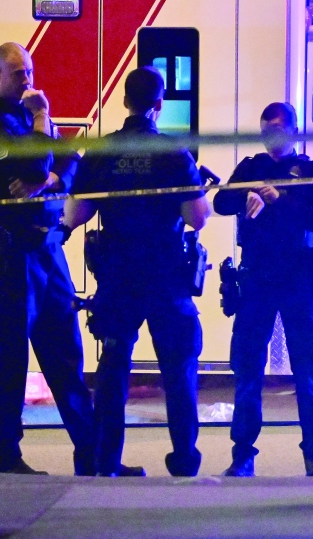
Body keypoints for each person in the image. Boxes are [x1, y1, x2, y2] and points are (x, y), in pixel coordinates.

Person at [64, 66, 212, 477]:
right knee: (179, 370)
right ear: (159, 104)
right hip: (166, 278)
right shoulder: (174, 153)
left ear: (125, 101)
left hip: (118, 277)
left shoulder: (102, 151)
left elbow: (76, 213)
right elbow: (197, 218)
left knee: (113, 370)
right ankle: (184, 460)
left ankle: (106, 462)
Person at [0, 42, 95, 476]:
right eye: (19, 73)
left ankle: (92, 455)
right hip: (12, 253)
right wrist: (43, 130)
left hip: (48, 251)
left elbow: (70, 163)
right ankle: (6, 458)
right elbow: (34, 168)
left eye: (30, 71)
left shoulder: (29, 118)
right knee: (10, 360)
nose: (28, 80)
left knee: (66, 354)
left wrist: (52, 177)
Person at [213, 102, 313, 477]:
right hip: (257, 278)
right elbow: (220, 201)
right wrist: (246, 194)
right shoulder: (251, 167)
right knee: (248, 369)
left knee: (307, 370)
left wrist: (280, 198)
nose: (271, 137)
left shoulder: (310, 171)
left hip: (298, 278)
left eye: (277, 130)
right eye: (265, 130)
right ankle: (242, 456)